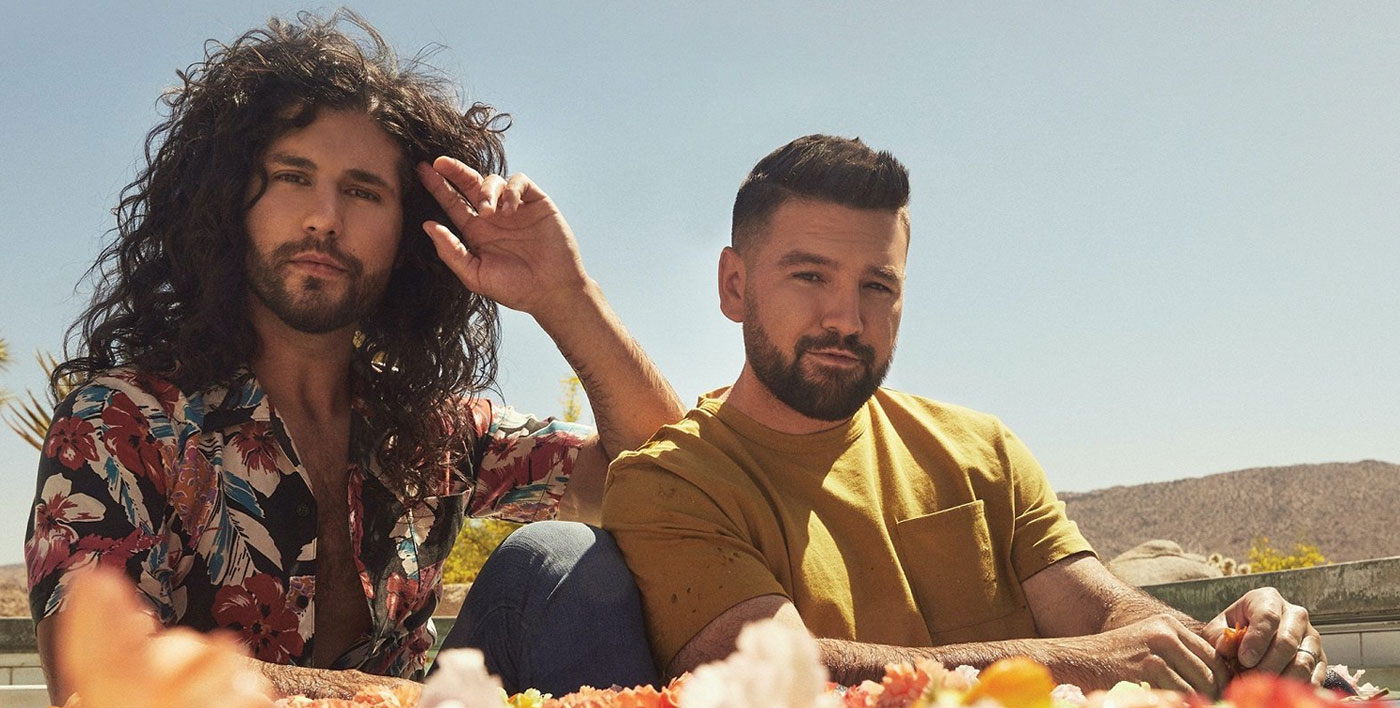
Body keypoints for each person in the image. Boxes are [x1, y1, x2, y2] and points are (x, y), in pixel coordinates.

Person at [24, 11, 681, 703]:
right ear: (230, 205)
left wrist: (568, 298)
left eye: (363, 191)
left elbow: (672, 484)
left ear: (408, 234)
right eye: (292, 177)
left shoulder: (435, 433)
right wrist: (384, 700)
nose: (325, 217)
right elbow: (97, 673)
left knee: (558, 559)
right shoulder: (127, 420)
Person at [602, 134, 1326, 696]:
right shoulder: (671, 481)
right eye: (810, 275)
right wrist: (1081, 664)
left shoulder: (981, 449)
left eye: (878, 285)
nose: (847, 318)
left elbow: (1109, 619)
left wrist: (1233, 640)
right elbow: (779, 678)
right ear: (734, 285)